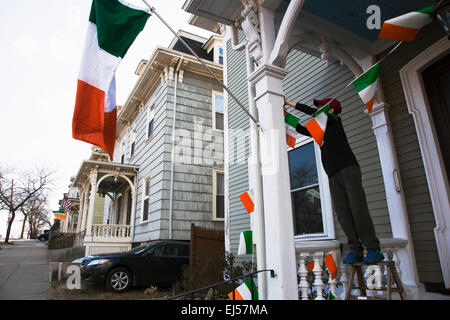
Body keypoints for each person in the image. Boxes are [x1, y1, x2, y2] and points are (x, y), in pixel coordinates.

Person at [284, 97, 384, 264]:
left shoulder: (335, 120)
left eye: (322, 106)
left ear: (331, 109)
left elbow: (313, 113)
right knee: (343, 213)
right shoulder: (320, 130)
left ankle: (373, 248)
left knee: (358, 208)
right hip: (332, 174)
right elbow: (302, 130)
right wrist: (286, 116)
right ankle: (356, 249)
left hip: (348, 169)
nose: (319, 109)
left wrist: (288, 103)